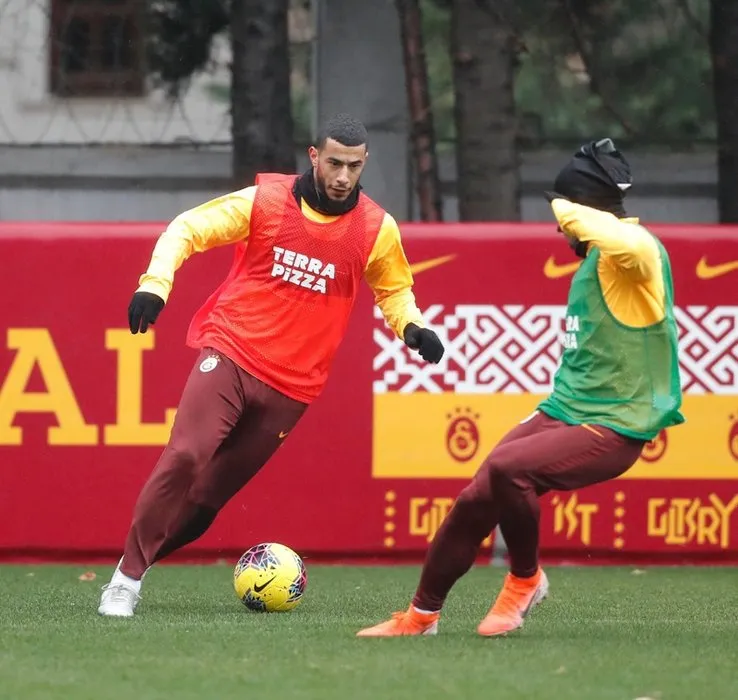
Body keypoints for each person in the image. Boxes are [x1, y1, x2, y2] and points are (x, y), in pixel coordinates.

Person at [97, 113, 445, 617]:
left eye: (353, 165)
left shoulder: (376, 228)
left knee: (204, 505)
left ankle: (135, 565)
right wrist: (156, 283)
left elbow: (394, 288)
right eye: (333, 163)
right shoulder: (265, 202)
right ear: (313, 157)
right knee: (187, 456)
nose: (343, 175)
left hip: (293, 387)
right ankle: (125, 582)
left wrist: (412, 327)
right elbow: (188, 227)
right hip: (233, 351)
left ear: (364, 162)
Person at [356, 138, 685, 638]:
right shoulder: (596, 259)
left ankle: (525, 579)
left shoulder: (635, 257)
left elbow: (634, 242)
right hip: (565, 409)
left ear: (583, 207)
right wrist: (571, 202)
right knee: (477, 494)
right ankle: (420, 618)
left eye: (565, 214)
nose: (559, 227)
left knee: (512, 470)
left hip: (617, 425)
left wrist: (565, 203)